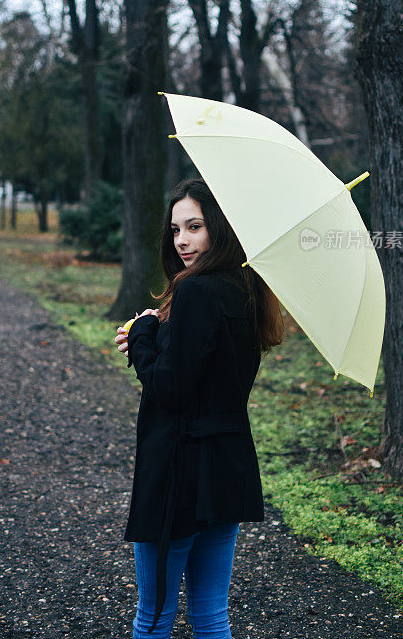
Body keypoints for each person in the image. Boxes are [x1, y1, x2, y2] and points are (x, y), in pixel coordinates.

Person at [114, 178, 284, 638]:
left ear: (220, 228)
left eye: (195, 226)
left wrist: (142, 341)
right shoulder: (248, 290)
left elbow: (170, 390)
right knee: (210, 614)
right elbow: (208, 374)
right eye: (175, 230)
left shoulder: (196, 291)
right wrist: (152, 340)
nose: (183, 240)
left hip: (178, 473)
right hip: (227, 467)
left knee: (153, 617)